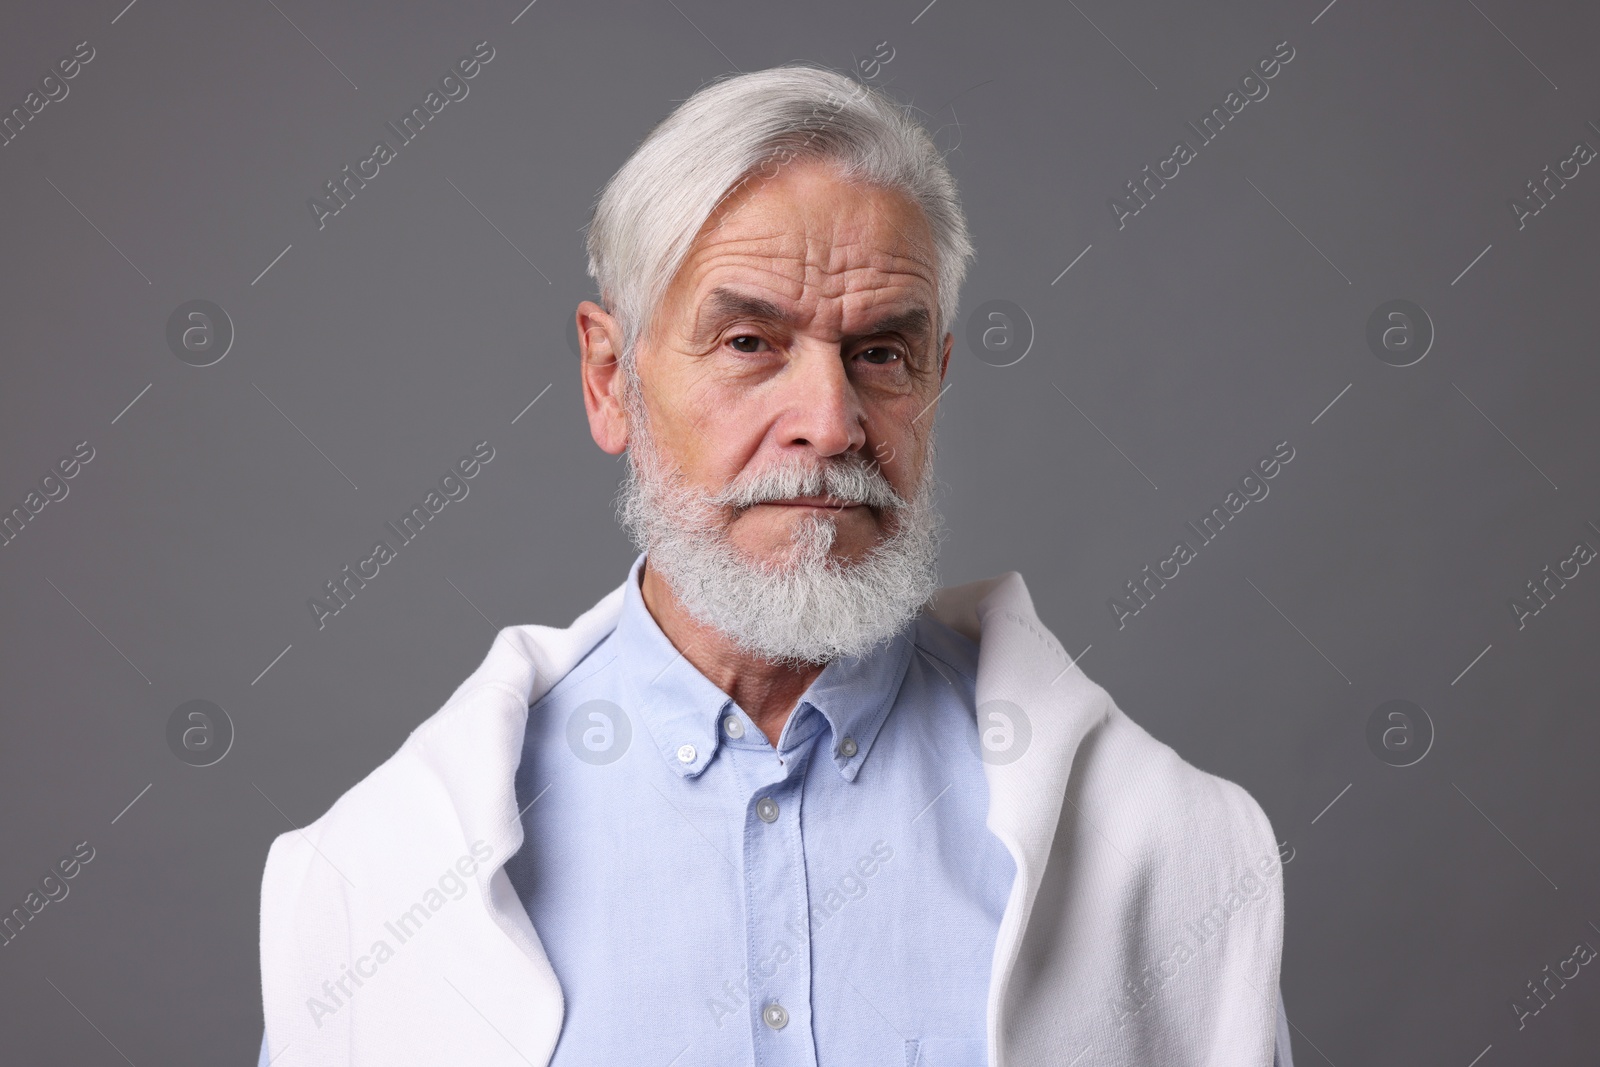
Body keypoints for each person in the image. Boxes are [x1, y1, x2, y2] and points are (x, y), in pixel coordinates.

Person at [258, 63, 1292, 1066]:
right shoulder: (380, 881)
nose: (830, 423)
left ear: (936, 375)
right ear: (610, 377)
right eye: (750, 341)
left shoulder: (1166, 851)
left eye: (881, 352)